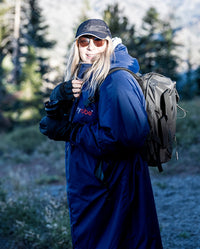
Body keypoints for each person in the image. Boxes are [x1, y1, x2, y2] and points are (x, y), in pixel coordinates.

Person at [40, 19, 163, 249]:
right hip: (94, 182)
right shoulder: (87, 77)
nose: (90, 47)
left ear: (107, 44)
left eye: (98, 41)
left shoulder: (116, 80)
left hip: (112, 184)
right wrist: (58, 97)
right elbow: (49, 124)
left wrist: (72, 132)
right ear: (76, 45)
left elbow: (127, 136)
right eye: (84, 41)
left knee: (117, 241)